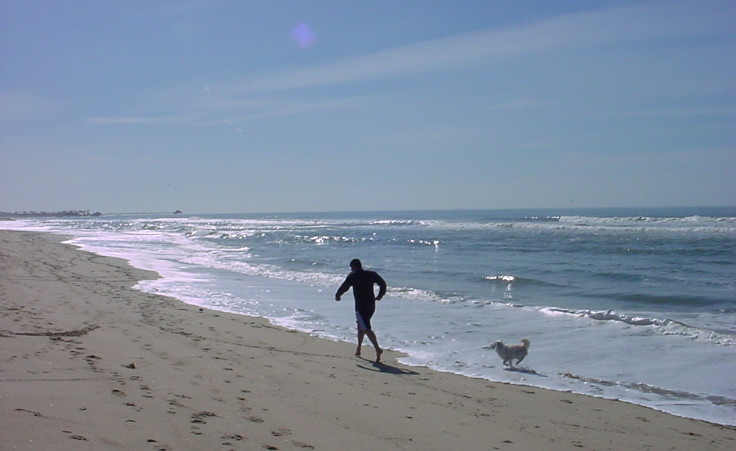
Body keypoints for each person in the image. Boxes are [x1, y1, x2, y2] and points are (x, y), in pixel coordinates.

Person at [335, 258, 386, 362]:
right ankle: (358, 348)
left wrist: (338, 295)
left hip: (361, 307)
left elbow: (344, 287)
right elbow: (383, 283)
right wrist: (380, 295)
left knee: (365, 328)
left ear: (353, 267)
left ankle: (377, 348)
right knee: (360, 326)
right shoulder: (371, 274)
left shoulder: (353, 276)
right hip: (371, 305)